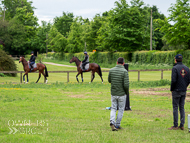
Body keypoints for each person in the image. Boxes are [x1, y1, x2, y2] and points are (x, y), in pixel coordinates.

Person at [168, 54, 190, 130]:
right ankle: (182, 124)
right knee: (182, 107)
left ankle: (175, 125)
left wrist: (172, 89)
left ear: (175, 60)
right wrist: (184, 87)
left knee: (175, 107)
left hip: (176, 90)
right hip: (183, 90)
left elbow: (173, 80)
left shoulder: (175, 68)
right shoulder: (187, 68)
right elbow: (188, 80)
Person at [108, 57, 129, 131]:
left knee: (113, 108)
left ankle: (112, 121)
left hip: (113, 93)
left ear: (117, 62)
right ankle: (117, 125)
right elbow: (126, 85)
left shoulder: (111, 70)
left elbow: (109, 80)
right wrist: (126, 92)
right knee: (121, 109)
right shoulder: (124, 71)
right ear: (123, 63)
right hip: (122, 94)